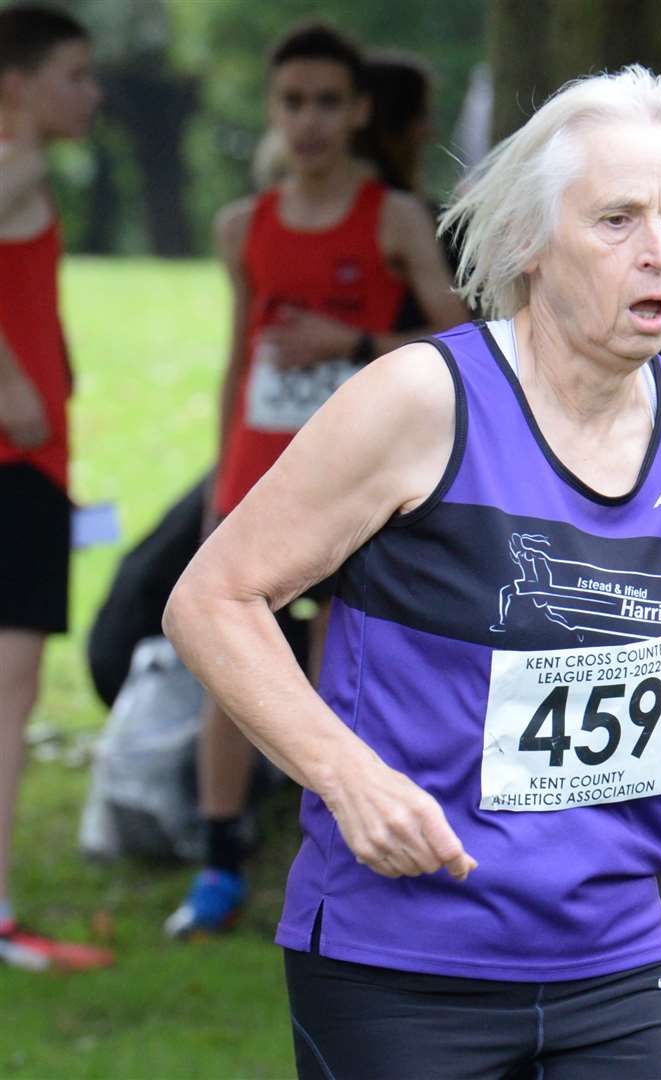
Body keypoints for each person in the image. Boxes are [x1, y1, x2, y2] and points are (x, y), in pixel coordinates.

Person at [164, 65, 661, 1077]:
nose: (657, 254)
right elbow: (213, 599)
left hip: (616, 966)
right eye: (617, 221)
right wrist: (346, 776)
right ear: (530, 243)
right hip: (402, 967)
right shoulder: (423, 401)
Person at [163, 22, 467, 939]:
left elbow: (465, 347)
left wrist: (354, 345)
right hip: (258, 476)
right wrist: (225, 479)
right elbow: (235, 360)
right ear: (272, 110)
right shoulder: (239, 228)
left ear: (359, 110)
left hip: (359, 486)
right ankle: (219, 865)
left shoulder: (393, 218)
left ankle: (343, 846)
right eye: (292, 102)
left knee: (343, 673)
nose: (309, 121)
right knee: (234, 673)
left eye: (328, 102)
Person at [0, 2, 113, 972]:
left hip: (30, 463)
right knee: (9, 687)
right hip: (16, 466)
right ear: (16, 86)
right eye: (74, 74)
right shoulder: (18, 164)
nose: (92, 92)